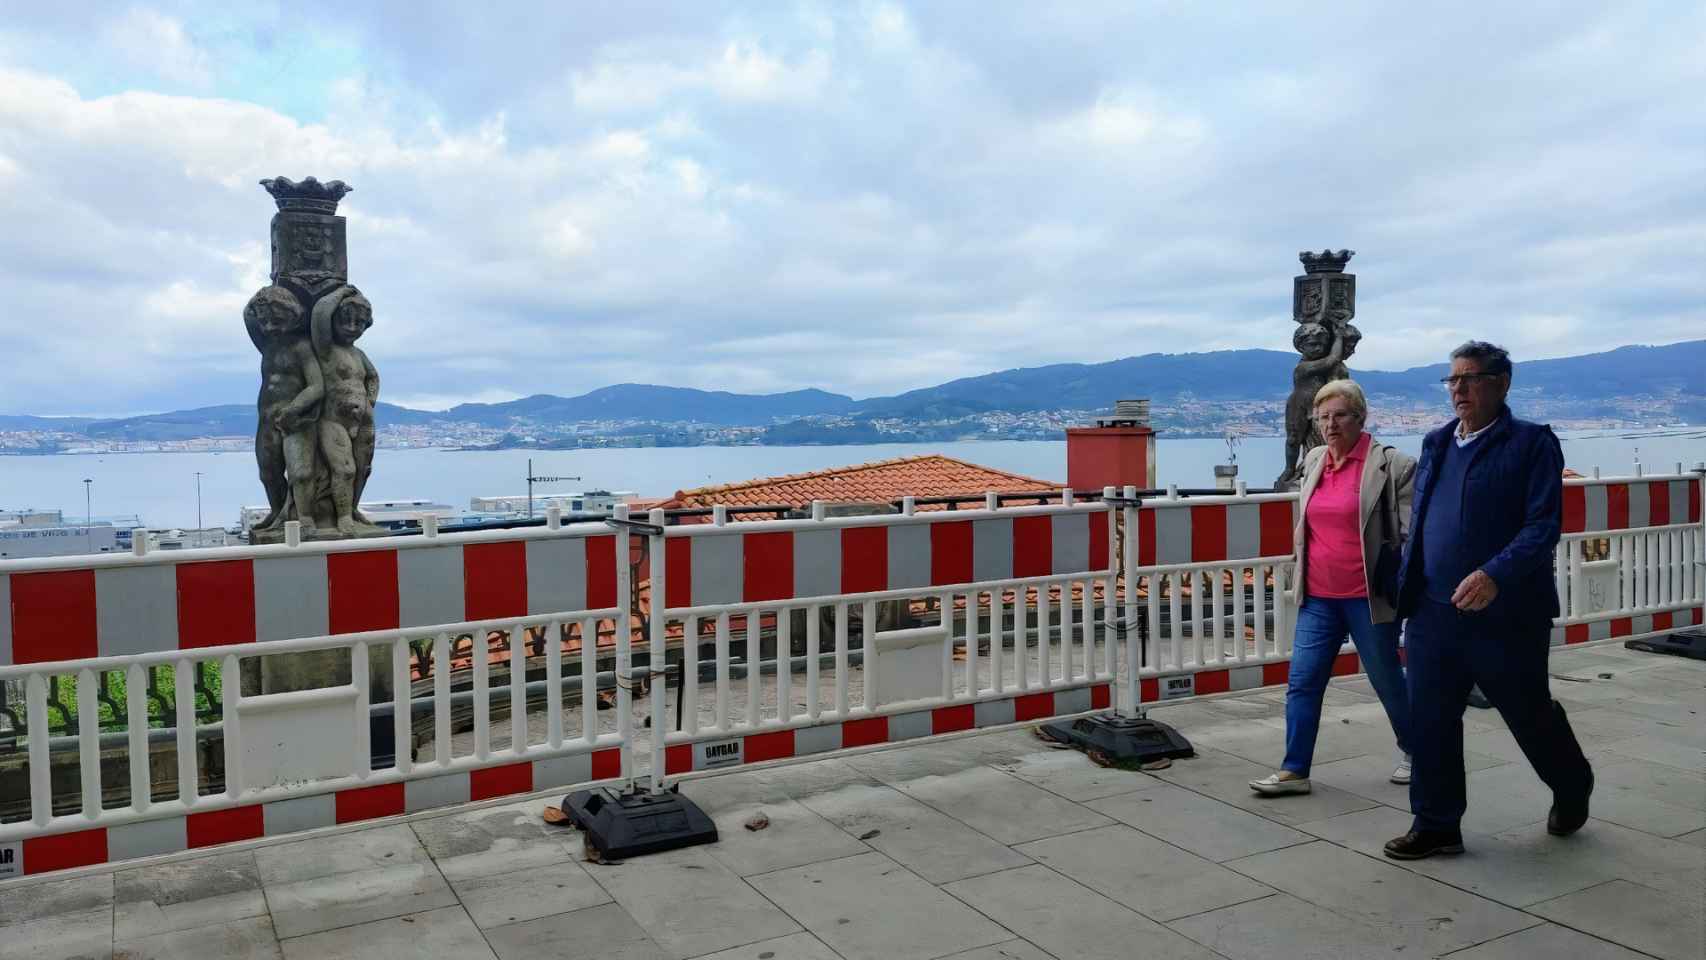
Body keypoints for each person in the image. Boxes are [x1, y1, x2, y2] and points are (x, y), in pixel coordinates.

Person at [1384, 342, 1593, 860]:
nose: (1458, 389)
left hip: (1507, 614)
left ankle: (1572, 785)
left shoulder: (1531, 444)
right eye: (1452, 380)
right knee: (1430, 717)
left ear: (1502, 384)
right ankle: (1436, 824)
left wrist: (1495, 574)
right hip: (1434, 609)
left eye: (1470, 379)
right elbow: (1423, 520)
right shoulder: (1435, 444)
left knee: (1527, 712)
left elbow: (1543, 526)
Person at [1251, 379, 1415, 796]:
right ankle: (1294, 770)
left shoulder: (1391, 465)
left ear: (1360, 417)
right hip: (1319, 596)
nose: (1330, 424)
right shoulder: (1315, 461)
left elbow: (1411, 532)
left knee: (1386, 678)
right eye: (1323, 417)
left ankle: (1418, 751)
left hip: (1368, 596)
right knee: (1303, 682)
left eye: (1339, 415)